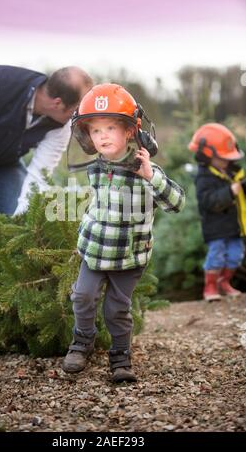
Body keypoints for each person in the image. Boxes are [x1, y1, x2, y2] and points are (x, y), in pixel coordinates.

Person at [62, 84, 185, 382]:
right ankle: (82, 341)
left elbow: (176, 203)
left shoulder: (144, 169)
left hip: (130, 255)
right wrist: (83, 234)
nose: (102, 136)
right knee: (82, 297)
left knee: (117, 309)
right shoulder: (96, 167)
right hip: (95, 251)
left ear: (131, 131)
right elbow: (98, 207)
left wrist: (151, 176)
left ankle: (120, 356)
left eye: (110, 128)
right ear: (86, 136)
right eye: (95, 130)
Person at [0, 64, 93, 216]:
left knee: (19, 217)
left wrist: (23, 223)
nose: (78, 119)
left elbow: (39, 174)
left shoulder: (61, 126)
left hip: (0, 163)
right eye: (76, 111)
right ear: (57, 103)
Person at [188, 123, 246, 302]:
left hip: (234, 226)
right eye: (223, 157)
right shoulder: (204, 178)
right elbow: (209, 201)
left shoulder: (231, 172)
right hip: (215, 229)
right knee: (216, 257)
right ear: (207, 155)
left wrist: (243, 188)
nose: (227, 161)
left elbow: (240, 193)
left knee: (235, 256)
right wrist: (230, 191)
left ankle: (224, 282)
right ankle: (210, 286)